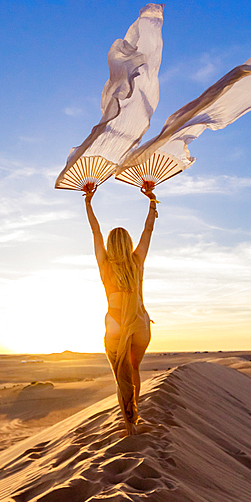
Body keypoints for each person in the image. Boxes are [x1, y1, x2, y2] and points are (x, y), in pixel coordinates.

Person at [83, 182, 158, 433]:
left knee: (120, 373)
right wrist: (151, 201)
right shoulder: (137, 260)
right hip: (139, 321)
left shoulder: (105, 264)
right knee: (134, 368)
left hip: (115, 322)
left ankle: (127, 420)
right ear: (127, 243)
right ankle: (134, 412)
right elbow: (148, 229)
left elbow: (95, 233)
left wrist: (88, 203)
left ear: (111, 244)